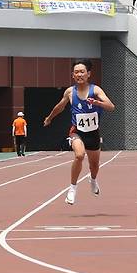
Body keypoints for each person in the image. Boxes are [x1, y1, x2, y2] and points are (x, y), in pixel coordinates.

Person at [43, 59, 115, 205]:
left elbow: (111, 106)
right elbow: (60, 106)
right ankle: (72, 188)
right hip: (77, 131)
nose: (79, 74)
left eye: (82, 72)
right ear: (72, 75)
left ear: (88, 74)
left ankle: (93, 180)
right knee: (79, 155)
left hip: (93, 133)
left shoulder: (95, 90)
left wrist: (97, 103)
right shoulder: (70, 92)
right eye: (76, 72)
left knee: (94, 166)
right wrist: (49, 117)